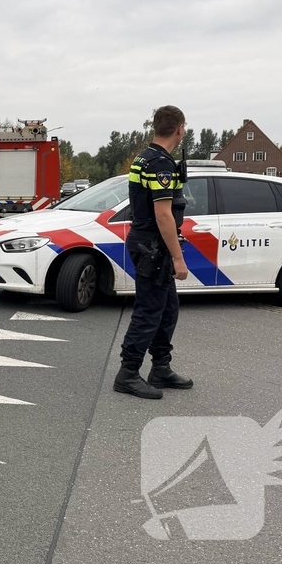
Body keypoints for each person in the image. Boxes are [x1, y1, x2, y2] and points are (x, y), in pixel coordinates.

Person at [114, 105, 194, 400]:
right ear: (180, 129)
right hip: (152, 247)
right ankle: (128, 374)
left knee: (168, 309)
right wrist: (178, 257)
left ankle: (161, 368)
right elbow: (163, 214)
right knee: (149, 311)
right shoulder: (160, 164)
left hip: (149, 243)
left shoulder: (145, 157)